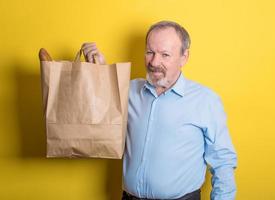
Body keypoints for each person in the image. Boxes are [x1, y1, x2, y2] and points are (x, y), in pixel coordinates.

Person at [81, 20, 237, 200]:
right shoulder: (128, 90)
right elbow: (98, 115)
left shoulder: (205, 100)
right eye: (150, 52)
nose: (155, 62)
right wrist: (99, 71)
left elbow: (223, 161)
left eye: (165, 55)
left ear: (184, 57)